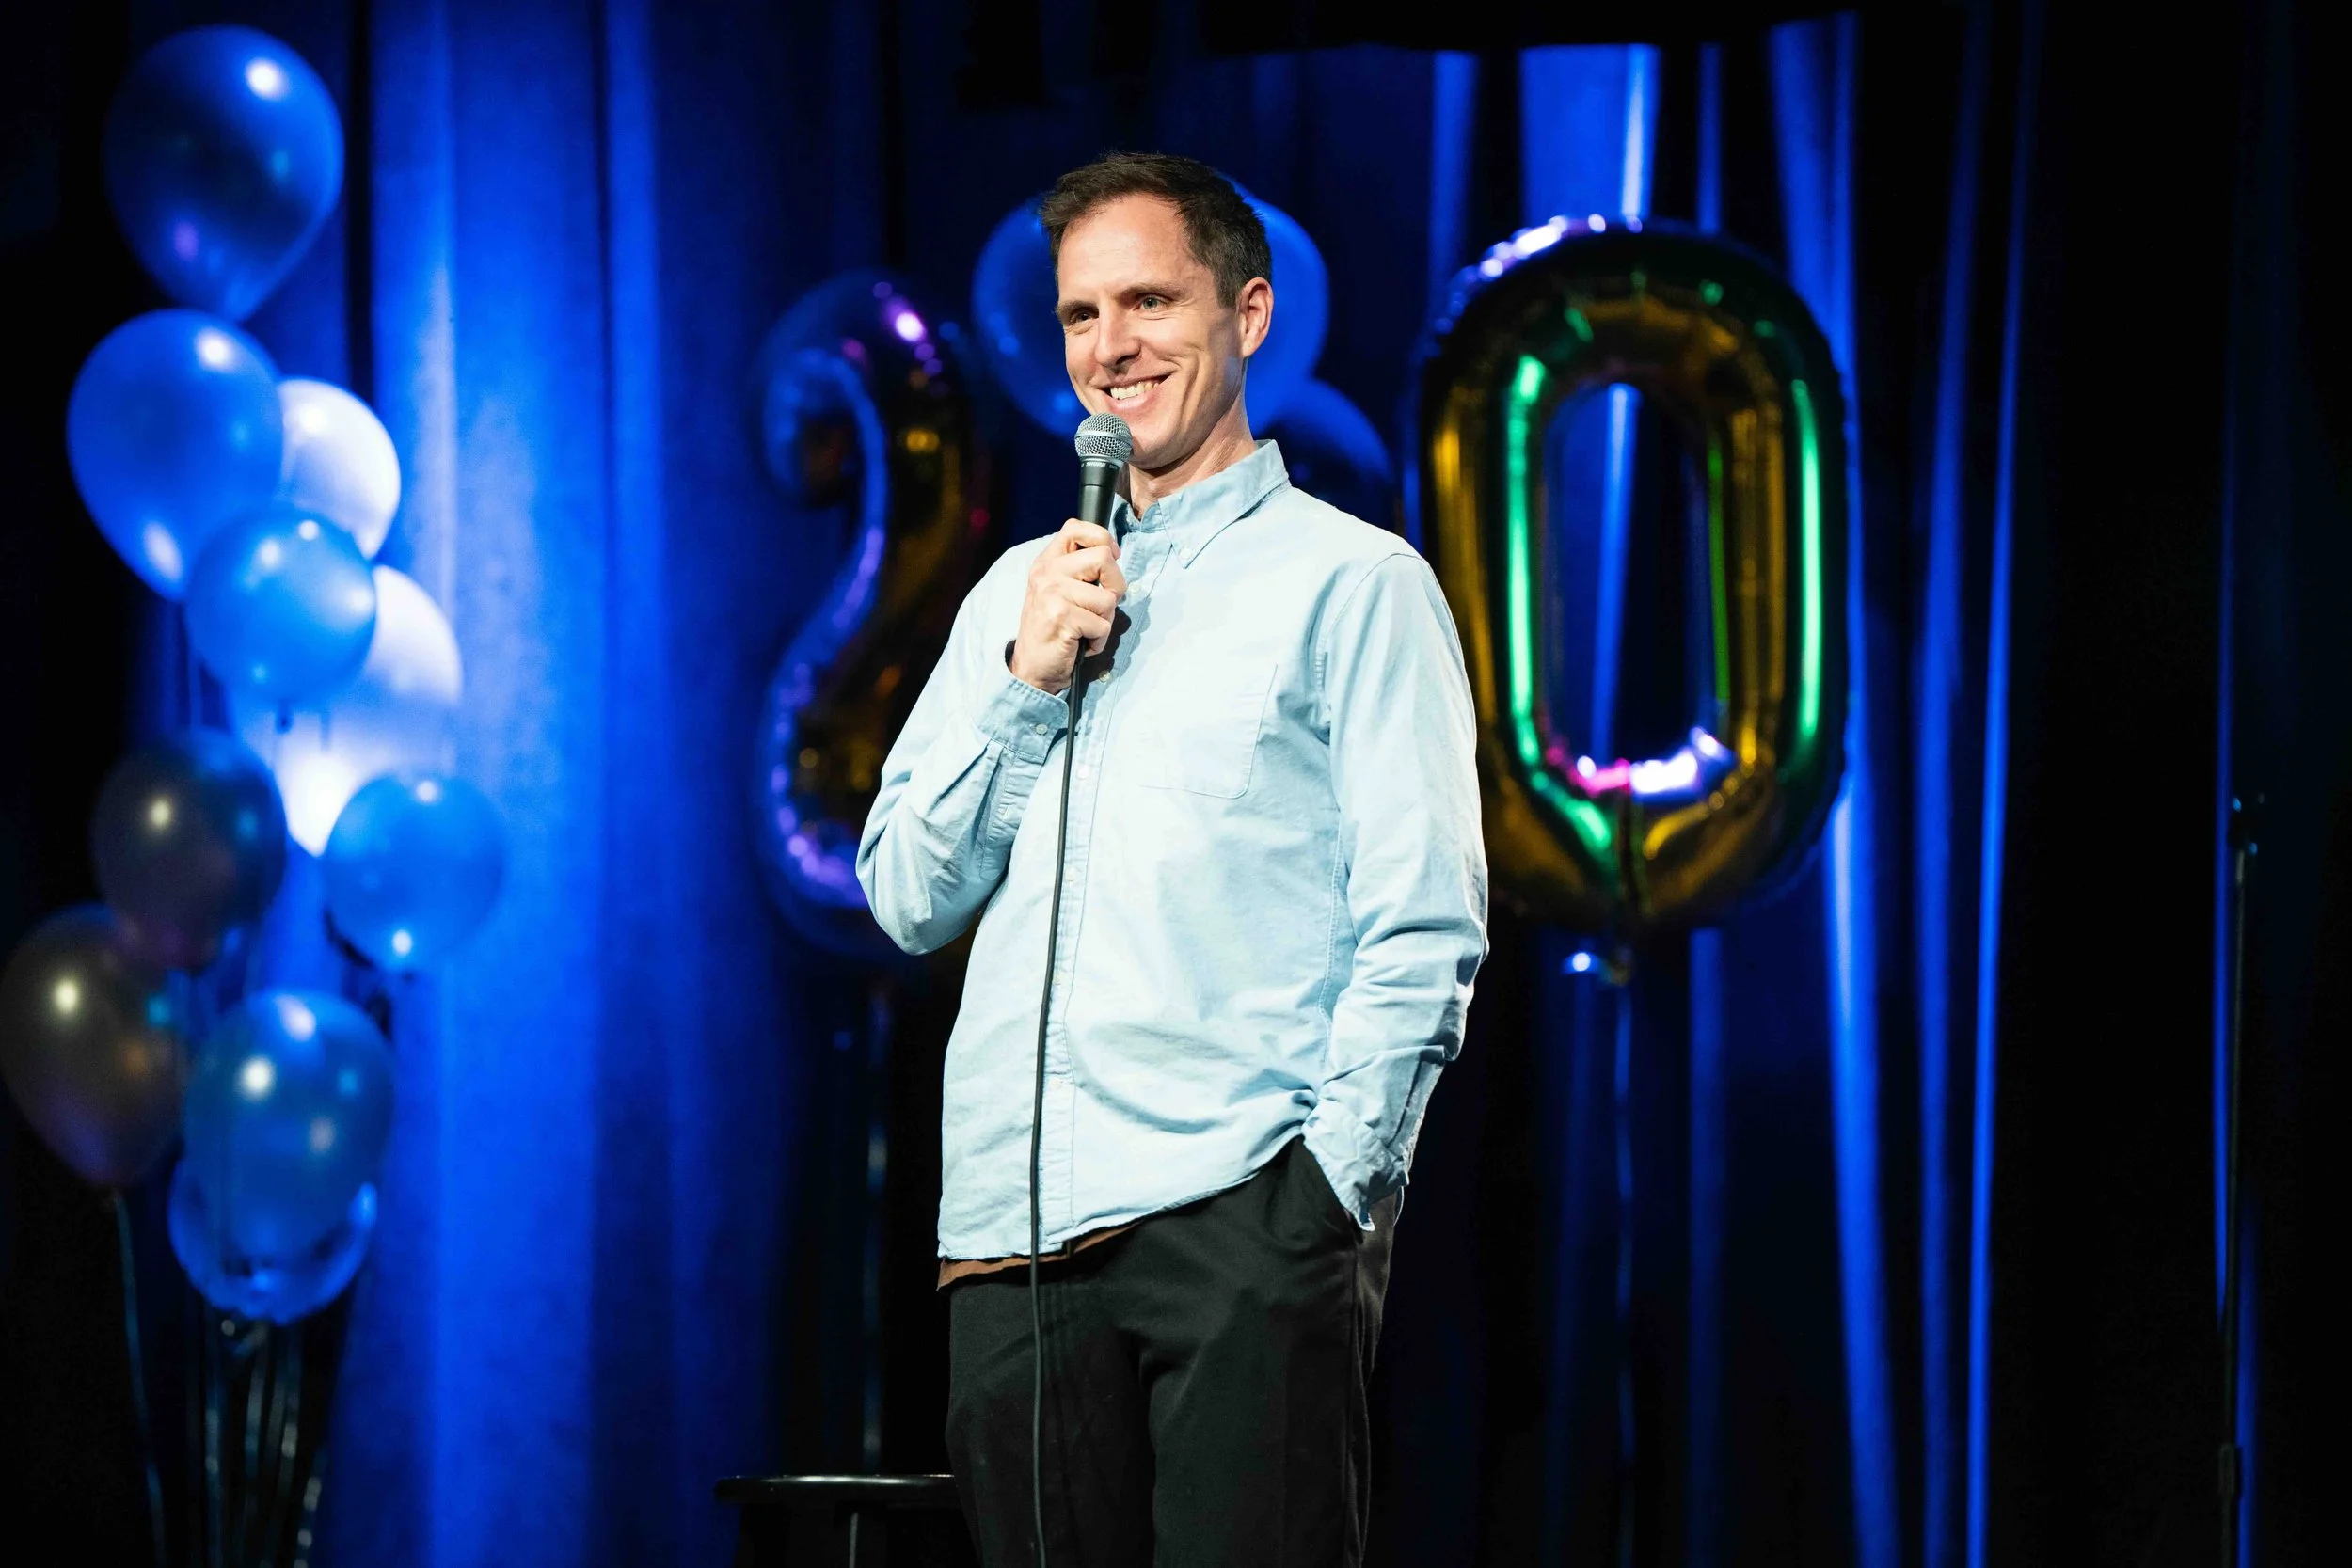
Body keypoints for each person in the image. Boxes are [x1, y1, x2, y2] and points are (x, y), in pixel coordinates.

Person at [857, 151, 1487, 1567]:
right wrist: (1025, 681)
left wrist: (1323, 1205)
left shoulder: (1352, 583)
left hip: (1237, 1219)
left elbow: (1426, 927)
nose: (1111, 348)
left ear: (1249, 316)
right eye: (1083, 314)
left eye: (1150, 300)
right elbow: (905, 894)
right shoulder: (1016, 602)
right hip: (1012, 1248)